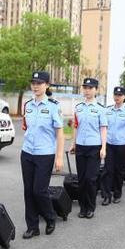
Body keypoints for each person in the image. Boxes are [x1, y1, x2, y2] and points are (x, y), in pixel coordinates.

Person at [20, 71, 65, 239]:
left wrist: (59, 157)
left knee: (39, 190)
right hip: (27, 153)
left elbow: (60, 134)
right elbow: (27, 127)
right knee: (28, 191)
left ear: (47, 85)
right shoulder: (28, 105)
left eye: (39, 83)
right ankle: (32, 227)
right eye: (33, 83)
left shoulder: (53, 106)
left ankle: (50, 217)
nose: (36, 86)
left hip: (45, 154)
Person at [69, 78, 108, 219]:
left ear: (96, 90)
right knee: (81, 179)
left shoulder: (100, 109)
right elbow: (75, 126)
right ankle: (83, 206)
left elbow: (103, 129)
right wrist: (73, 143)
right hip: (80, 146)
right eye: (85, 87)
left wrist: (103, 147)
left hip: (94, 147)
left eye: (90, 88)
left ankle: (90, 207)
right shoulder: (78, 107)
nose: (87, 90)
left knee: (90, 179)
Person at [102, 86, 125, 205]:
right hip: (109, 144)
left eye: (120, 95)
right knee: (107, 170)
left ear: (124, 97)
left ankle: (117, 193)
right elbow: (104, 128)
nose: (117, 97)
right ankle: (106, 195)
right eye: (115, 95)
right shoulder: (108, 110)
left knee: (119, 171)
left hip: (123, 145)